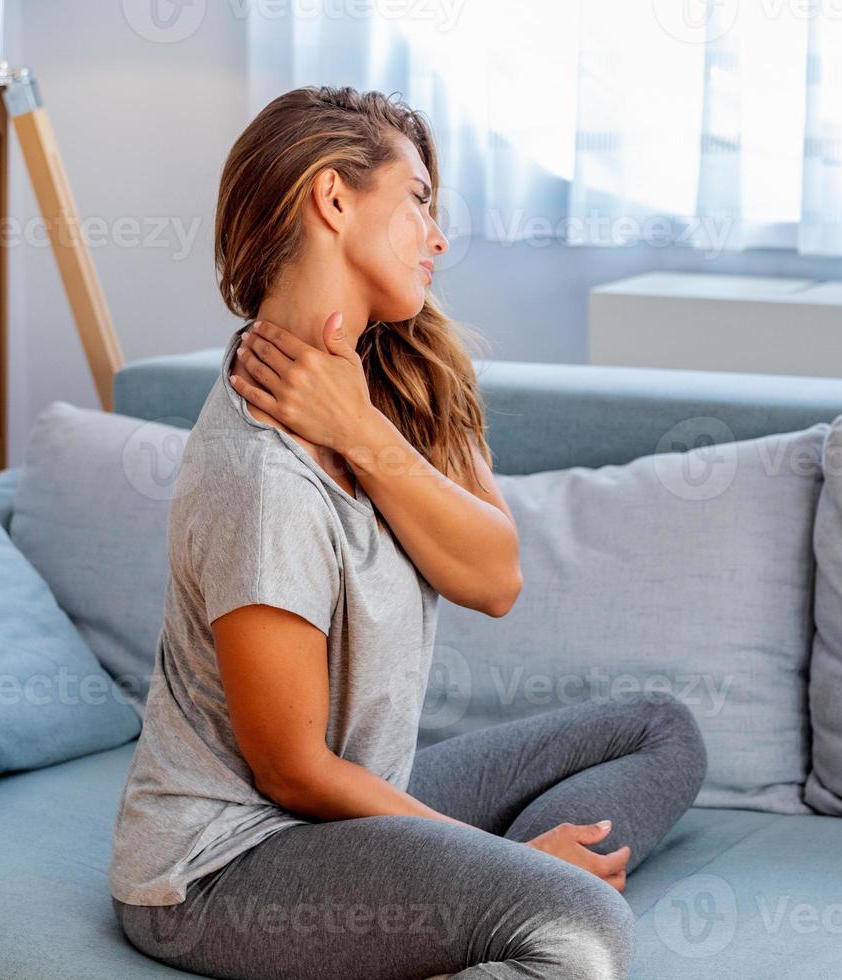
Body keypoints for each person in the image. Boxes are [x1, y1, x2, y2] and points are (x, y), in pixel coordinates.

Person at [107, 84, 707, 980]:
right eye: (419, 198)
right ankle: (504, 900)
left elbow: (495, 578)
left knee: (661, 730)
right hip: (227, 867)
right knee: (580, 931)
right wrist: (509, 865)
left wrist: (362, 431)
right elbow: (293, 773)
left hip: (354, 806)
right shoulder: (258, 472)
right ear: (334, 198)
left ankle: (477, 901)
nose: (439, 235)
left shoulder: (401, 374)